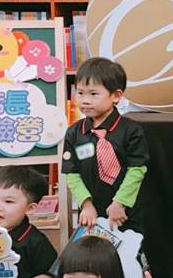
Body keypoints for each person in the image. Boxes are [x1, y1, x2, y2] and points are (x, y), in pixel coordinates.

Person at [62, 57, 149, 235]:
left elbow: (137, 170)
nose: (85, 100)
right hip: (91, 215)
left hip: (126, 212)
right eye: (80, 93)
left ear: (116, 96)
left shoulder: (132, 130)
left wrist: (119, 203)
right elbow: (72, 173)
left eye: (93, 94)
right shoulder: (74, 133)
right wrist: (86, 204)